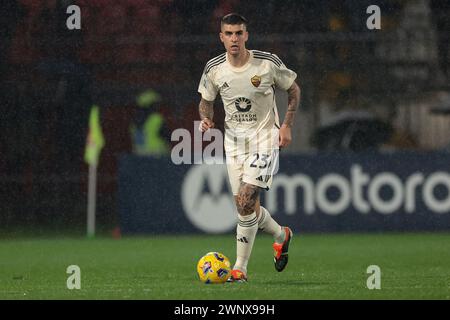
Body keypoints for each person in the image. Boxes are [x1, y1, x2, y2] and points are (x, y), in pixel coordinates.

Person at [197, 13, 301, 282]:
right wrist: (206, 118)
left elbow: (294, 90)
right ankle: (281, 235)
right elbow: (206, 100)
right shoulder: (214, 68)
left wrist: (287, 125)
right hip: (233, 144)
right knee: (246, 208)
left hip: (265, 140)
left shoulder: (266, 64)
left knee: (245, 200)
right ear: (221, 37)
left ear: (246, 35)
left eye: (239, 33)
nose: (234, 39)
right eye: (229, 34)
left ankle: (239, 269)